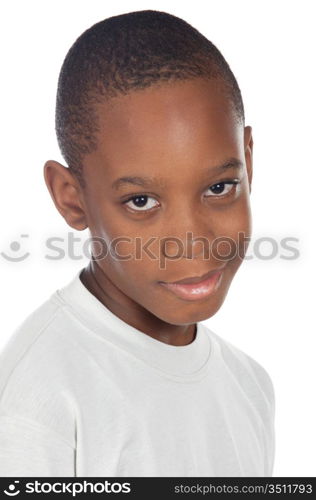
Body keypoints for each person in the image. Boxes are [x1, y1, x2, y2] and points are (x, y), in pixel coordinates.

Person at [0, 9, 275, 477]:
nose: (191, 243)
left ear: (247, 160)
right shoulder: (36, 404)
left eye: (219, 188)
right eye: (141, 200)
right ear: (72, 199)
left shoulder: (251, 386)